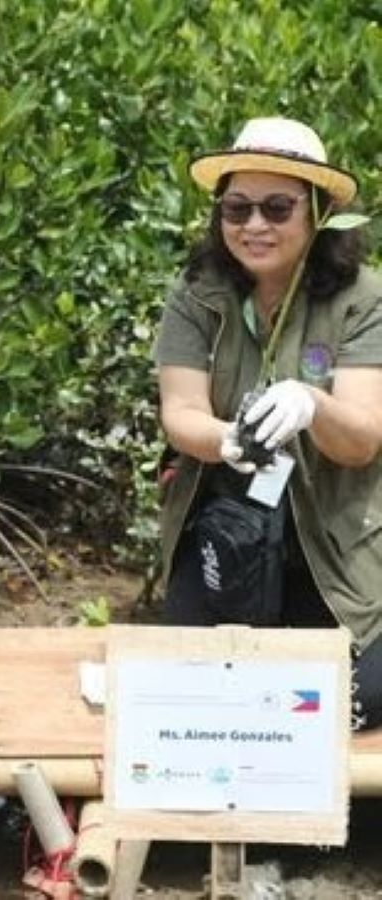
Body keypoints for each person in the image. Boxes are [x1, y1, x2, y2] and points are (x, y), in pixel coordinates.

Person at [154, 117, 382, 728]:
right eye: (238, 208)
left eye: (277, 208)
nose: (255, 226)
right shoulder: (198, 292)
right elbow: (180, 412)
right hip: (231, 524)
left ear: (317, 212)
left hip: (333, 535)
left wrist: (312, 403)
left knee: (349, 706)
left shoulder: (364, 297)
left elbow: (361, 441)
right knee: (192, 691)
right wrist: (225, 441)